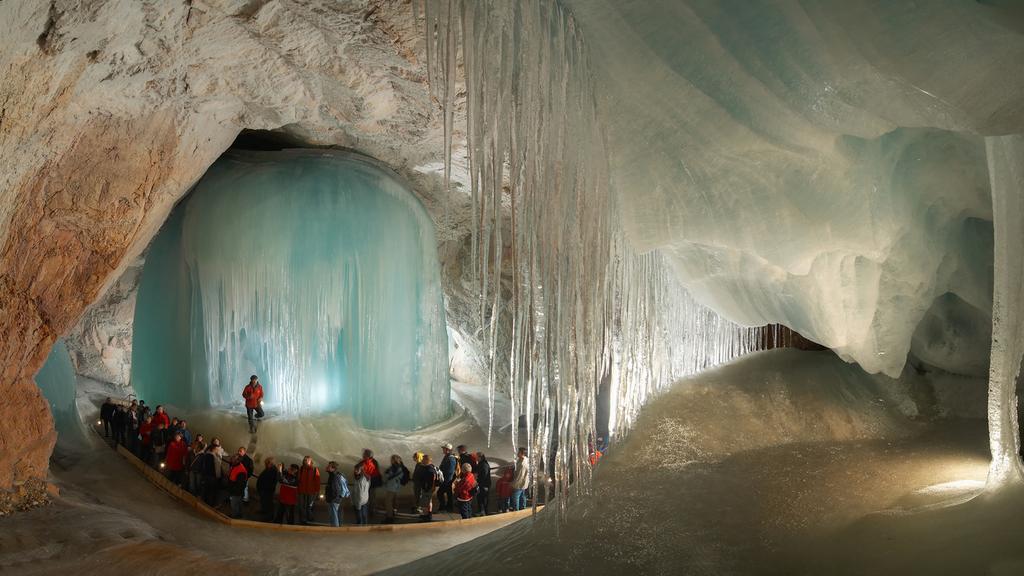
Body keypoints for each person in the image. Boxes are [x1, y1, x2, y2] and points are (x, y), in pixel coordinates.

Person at [382, 455, 408, 523]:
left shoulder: (394, 468)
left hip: (392, 487)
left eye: (391, 459)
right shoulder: (400, 467)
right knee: (393, 501)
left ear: (394, 460)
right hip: (396, 487)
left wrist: (386, 474)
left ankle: (389, 517)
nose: (390, 460)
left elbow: (389, 476)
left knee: (388, 502)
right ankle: (392, 513)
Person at [413, 454, 438, 522]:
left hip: (427, 488)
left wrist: (427, 488)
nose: (422, 460)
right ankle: (428, 514)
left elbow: (432, 479)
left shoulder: (429, 469)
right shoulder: (430, 467)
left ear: (427, 460)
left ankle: (426, 516)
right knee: (428, 501)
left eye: (423, 459)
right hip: (428, 488)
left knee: (425, 502)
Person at [324, 461, 350, 527]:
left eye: (329, 466)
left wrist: (332, 499)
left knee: (333, 516)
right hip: (336, 499)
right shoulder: (333, 475)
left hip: (334, 500)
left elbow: (336, 489)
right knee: (335, 515)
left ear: (333, 468)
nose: (327, 467)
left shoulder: (334, 477)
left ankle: (335, 530)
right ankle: (337, 528)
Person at [297, 455, 320, 524]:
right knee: (301, 506)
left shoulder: (315, 469)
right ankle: (303, 520)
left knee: (309, 506)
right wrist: (297, 490)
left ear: (310, 461)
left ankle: (310, 518)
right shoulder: (301, 469)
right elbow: (298, 480)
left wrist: (317, 492)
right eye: (304, 460)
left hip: (311, 491)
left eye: (307, 460)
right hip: (301, 491)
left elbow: (317, 481)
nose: (305, 461)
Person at [256, 458, 281, 522]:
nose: (265, 464)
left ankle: (269, 517)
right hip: (264, 489)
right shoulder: (269, 468)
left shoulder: (273, 470)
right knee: (264, 502)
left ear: (270, 463)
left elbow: (272, 481)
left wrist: (265, 488)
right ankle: (264, 511)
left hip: (267, 490)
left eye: (267, 463)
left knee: (269, 503)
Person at [361, 449, 382, 518]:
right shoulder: (372, 461)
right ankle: (371, 511)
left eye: (364, 454)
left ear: (367, 456)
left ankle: (371, 512)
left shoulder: (371, 462)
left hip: (371, 482)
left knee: (371, 497)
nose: (363, 455)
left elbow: (371, 473)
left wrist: (364, 473)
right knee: (371, 497)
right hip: (371, 482)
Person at [438, 443, 457, 513]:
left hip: (447, 480)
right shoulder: (447, 457)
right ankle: (448, 508)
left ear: (448, 450)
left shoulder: (451, 458)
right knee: (449, 494)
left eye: (444, 448)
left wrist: (444, 479)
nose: (443, 450)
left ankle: (444, 507)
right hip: (447, 479)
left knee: (440, 493)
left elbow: (450, 471)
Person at [511, 447, 530, 511]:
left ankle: (516, 511)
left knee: (515, 497)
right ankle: (523, 510)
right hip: (524, 483)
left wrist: (513, 484)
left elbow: (520, 476)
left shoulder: (522, 464)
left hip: (519, 483)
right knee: (522, 496)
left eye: (518, 452)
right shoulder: (526, 460)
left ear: (522, 454)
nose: (517, 453)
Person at [473, 451, 491, 515]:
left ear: (480, 457)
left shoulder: (483, 465)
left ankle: (483, 512)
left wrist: (478, 480)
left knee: (483, 499)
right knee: (480, 498)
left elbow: (484, 476)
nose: (476, 458)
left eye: (476, 457)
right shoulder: (482, 463)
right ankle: (482, 511)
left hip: (483, 485)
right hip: (482, 485)